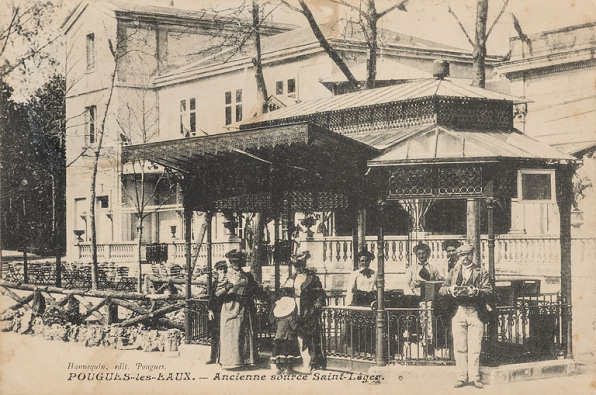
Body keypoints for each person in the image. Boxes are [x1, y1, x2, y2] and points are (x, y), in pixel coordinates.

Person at [439, 243, 493, 389]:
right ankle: (461, 377)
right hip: (459, 311)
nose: (465, 258)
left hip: (475, 311)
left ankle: (474, 378)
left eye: (468, 254)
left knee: (475, 346)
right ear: (459, 256)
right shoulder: (454, 271)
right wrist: (451, 289)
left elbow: (489, 290)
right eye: (462, 255)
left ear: (472, 255)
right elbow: (441, 289)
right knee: (459, 346)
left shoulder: (480, 272)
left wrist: (477, 291)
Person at [218, 249, 264, 370]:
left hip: (244, 306)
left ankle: (245, 360)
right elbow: (217, 294)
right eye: (233, 262)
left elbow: (253, 288)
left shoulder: (246, 275)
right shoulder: (226, 275)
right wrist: (226, 289)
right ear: (230, 262)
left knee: (243, 333)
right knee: (232, 333)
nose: (236, 264)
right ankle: (231, 361)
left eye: (238, 262)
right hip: (230, 306)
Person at [283, 251, 326, 372]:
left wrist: (318, 302)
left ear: (304, 265)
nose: (297, 268)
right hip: (293, 308)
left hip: (307, 309)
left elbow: (321, 293)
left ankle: (311, 363)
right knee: (293, 336)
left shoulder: (312, 278)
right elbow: (284, 293)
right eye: (295, 266)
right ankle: (294, 364)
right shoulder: (291, 278)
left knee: (309, 336)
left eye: (300, 265)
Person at [270, 292, 302, 374]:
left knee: (279, 354)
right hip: (288, 338)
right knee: (288, 355)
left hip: (279, 338)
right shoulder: (290, 318)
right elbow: (294, 327)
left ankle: (279, 369)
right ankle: (288, 370)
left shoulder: (278, 319)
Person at [206, 260, 228, 365]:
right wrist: (210, 310)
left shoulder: (229, 282)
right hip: (216, 311)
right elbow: (211, 297)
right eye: (220, 270)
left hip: (226, 310)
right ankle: (213, 357)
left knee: (225, 335)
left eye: (224, 269)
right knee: (215, 334)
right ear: (217, 271)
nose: (222, 272)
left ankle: (223, 358)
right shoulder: (215, 283)